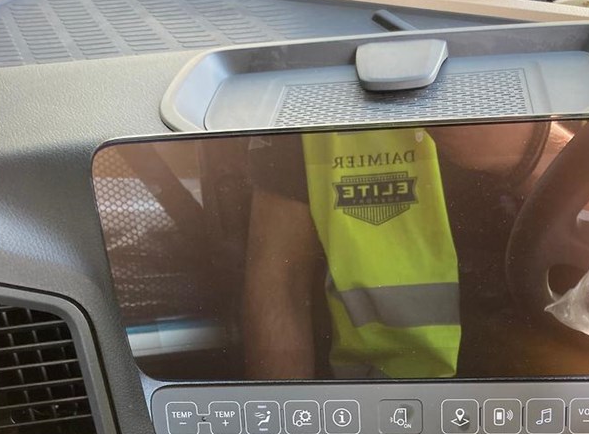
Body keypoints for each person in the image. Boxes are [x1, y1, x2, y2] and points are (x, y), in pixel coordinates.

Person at [243, 121, 571, 380]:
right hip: (386, 407)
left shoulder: (565, 63)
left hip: (556, 394)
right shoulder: (306, 87)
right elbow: (279, 281)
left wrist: (531, 149)